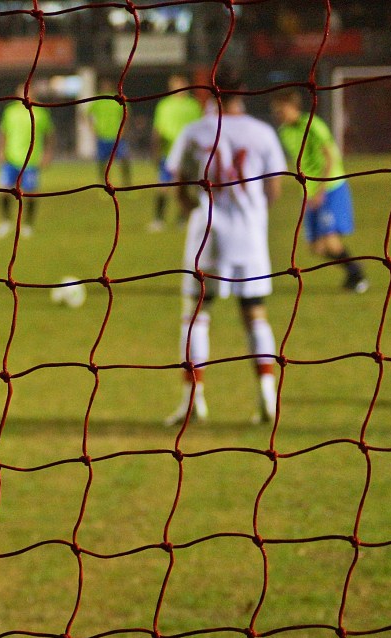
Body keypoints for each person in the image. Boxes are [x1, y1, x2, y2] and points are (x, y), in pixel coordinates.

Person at [164, 70, 289, 426]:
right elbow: (274, 189)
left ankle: (194, 400)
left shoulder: (195, 131)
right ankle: (267, 394)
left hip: (208, 234)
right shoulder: (262, 132)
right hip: (250, 237)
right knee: (255, 314)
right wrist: (252, 212)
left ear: (209, 93)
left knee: (196, 315)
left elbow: (178, 180)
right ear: (244, 92)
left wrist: (190, 206)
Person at [271, 89, 368, 293]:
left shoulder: (312, 124)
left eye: (281, 110)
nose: (278, 114)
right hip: (309, 192)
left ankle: (357, 275)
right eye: (276, 111)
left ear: (293, 107)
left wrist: (321, 190)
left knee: (330, 241)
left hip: (331, 187)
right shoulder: (284, 132)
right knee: (316, 247)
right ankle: (353, 269)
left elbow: (330, 156)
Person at [0, 81, 54, 239]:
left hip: (31, 160)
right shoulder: (10, 111)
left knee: (30, 193)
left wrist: (47, 154)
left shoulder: (41, 112)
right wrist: (0, 150)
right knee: (4, 190)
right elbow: (4, 132)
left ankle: (28, 225)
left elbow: (49, 135)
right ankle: (6, 222)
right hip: (10, 158)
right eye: (22, 92)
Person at [150, 73, 202, 232]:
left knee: (186, 187)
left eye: (180, 83)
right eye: (175, 84)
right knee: (163, 186)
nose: (178, 87)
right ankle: (158, 220)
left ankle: (183, 219)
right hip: (168, 153)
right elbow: (158, 130)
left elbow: (199, 129)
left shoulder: (193, 105)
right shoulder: (164, 105)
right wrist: (156, 151)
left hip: (188, 154)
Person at [87, 77, 132, 186]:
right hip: (102, 136)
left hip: (117, 136)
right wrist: (93, 129)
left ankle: (126, 182)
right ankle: (103, 183)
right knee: (102, 162)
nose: (106, 87)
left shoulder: (118, 99)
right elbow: (87, 114)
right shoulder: (98, 100)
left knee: (124, 159)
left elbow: (127, 115)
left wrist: (124, 129)